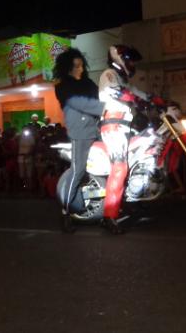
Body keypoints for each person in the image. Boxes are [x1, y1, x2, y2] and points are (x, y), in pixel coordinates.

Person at [98, 44, 162, 234]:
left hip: (126, 127)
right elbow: (115, 92)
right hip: (113, 126)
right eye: (130, 60)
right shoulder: (109, 74)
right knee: (120, 167)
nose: (132, 63)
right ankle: (108, 216)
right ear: (120, 59)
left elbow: (139, 93)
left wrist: (156, 100)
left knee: (140, 157)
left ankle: (133, 206)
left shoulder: (124, 80)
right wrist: (135, 99)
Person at [53, 48, 105, 233]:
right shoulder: (62, 86)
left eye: (82, 65)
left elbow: (102, 96)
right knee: (78, 171)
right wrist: (103, 108)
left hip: (98, 130)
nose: (80, 69)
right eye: (76, 66)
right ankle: (65, 212)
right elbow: (77, 102)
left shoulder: (88, 83)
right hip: (80, 132)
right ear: (67, 68)